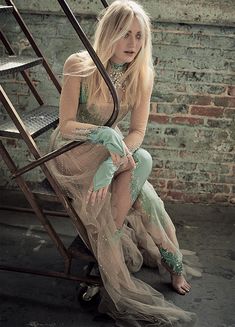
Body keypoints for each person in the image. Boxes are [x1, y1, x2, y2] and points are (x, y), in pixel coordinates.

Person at [49, 1, 201, 326]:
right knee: (141, 171)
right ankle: (162, 265)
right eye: (125, 35)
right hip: (76, 149)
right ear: (109, 34)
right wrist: (103, 135)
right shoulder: (78, 64)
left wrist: (110, 165)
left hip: (115, 151)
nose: (133, 44)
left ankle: (109, 251)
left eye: (139, 36)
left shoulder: (142, 74)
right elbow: (65, 126)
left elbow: (138, 131)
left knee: (142, 172)